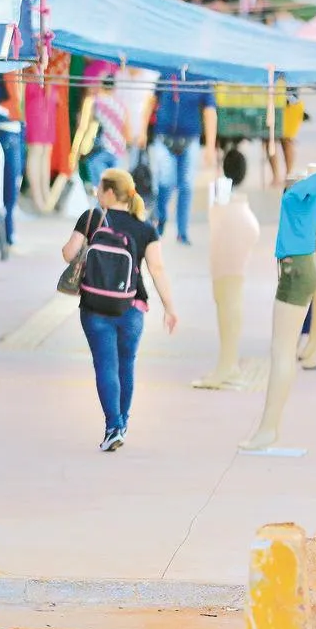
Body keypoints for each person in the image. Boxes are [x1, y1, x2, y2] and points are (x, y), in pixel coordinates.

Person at [61, 169, 178, 452]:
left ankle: (113, 426)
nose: (97, 194)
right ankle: (122, 423)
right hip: (132, 307)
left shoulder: (91, 218)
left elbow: (67, 253)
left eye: (100, 189)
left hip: (94, 306)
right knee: (126, 364)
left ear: (111, 193)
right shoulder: (145, 227)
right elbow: (157, 268)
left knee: (105, 365)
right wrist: (169, 307)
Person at [138, 84, 217, 245]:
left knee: (186, 186)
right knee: (165, 181)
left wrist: (210, 146)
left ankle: (182, 232)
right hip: (164, 136)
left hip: (190, 139)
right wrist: (142, 131)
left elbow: (210, 111)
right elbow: (151, 100)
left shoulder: (201, 78)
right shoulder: (168, 70)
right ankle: (160, 219)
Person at [86, 78, 131, 182]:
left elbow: (88, 124)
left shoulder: (97, 101)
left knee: (100, 182)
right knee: (116, 184)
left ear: (102, 86)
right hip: (119, 148)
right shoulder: (121, 105)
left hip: (104, 147)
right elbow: (127, 129)